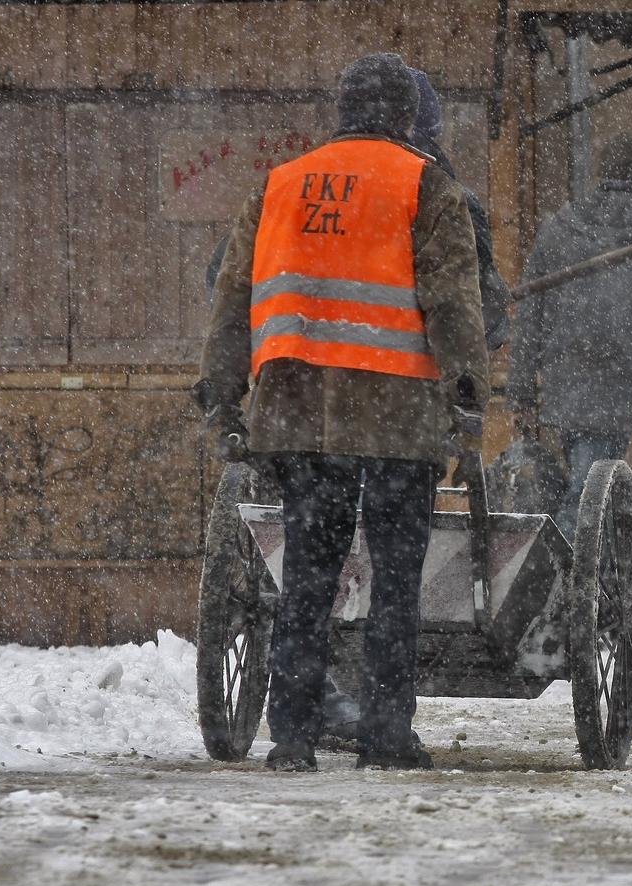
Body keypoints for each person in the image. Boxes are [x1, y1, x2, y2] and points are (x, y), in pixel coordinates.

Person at [196, 52, 488, 771]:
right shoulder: (428, 186)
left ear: (342, 110)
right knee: (394, 581)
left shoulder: (279, 185)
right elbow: (453, 300)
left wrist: (222, 392)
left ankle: (292, 737)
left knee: (308, 578)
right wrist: (468, 392)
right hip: (396, 414)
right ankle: (386, 736)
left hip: (298, 411)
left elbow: (234, 296)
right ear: (403, 113)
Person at [508, 134, 632, 539]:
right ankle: (561, 581)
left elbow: (529, 315)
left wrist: (522, 391)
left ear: (602, 175)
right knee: (588, 499)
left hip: (564, 382)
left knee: (584, 484)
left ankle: (572, 578)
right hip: (617, 386)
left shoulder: (559, 227)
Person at [407, 68, 512, 353]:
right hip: (426, 378)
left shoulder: (342, 195)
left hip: (342, 381)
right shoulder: (455, 201)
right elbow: (485, 319)